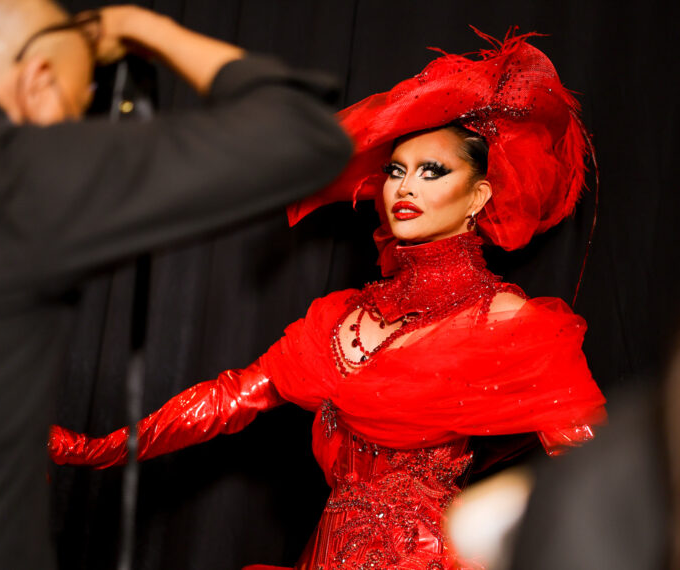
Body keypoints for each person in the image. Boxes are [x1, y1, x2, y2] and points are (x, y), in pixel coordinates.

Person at [48, 31, 606, 569]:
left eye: (432, 171)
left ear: (476, 196)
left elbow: (601, 467)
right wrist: (99, 449)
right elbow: (226, 401)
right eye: (395, 171)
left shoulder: (504, 320)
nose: (404, 188)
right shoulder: (340, 317)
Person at [0, 0, 354, 567]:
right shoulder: (10, 174)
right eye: (77, 107)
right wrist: (146, 29)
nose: (70, 128)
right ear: (39, 79)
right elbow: (303, 133)